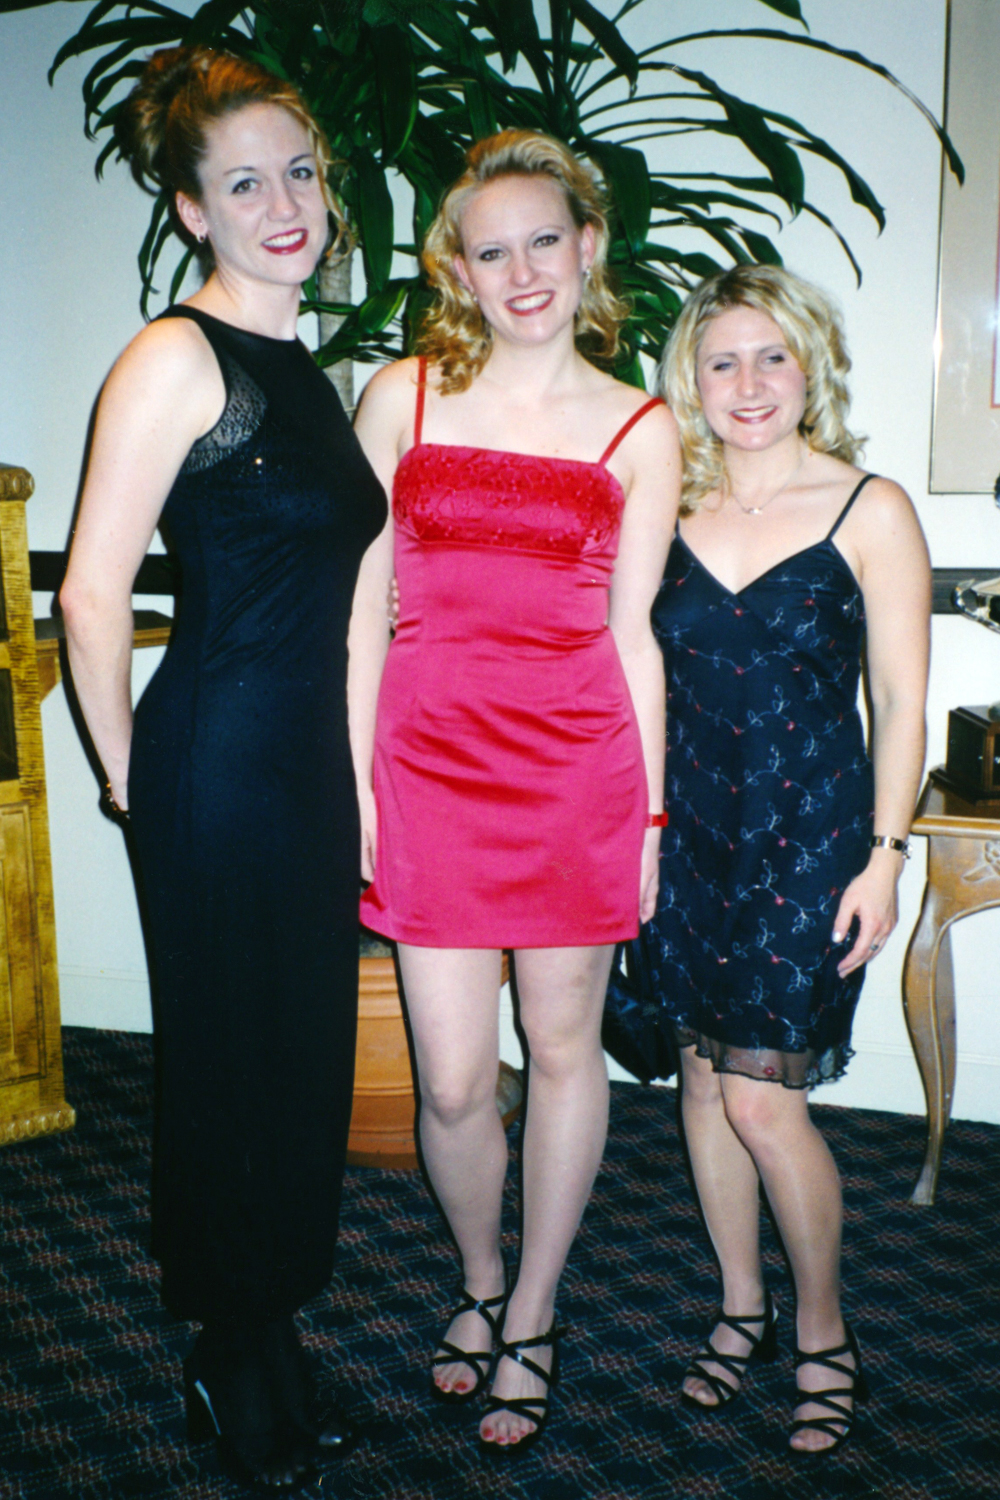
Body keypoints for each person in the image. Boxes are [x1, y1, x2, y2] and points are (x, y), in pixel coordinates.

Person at [59, 46, 387, 1492]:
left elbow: (352, 606)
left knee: (298, 1060)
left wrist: (359, 785)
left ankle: (267, 1328)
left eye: (298, 173)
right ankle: (231, 1348)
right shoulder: (173, 359)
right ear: (190, 208)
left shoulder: (306, 369)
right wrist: (133, 778)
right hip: (216, 765)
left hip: (302, 767)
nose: (283, 205)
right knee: (231, 1064)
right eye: (244, 183)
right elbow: (90, 594)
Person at [348, 129, 680, 1453]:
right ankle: (478, 1278)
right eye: (493, 251)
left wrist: (647, 819)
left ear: (589, 248)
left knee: (559, 1049)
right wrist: (358, 783)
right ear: (457, 271)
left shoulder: (641, 425)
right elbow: (356, 617)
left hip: (574, 770)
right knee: (448, 1083)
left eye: (547, 239)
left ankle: (531, 1311)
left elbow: (635, 637)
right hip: (425, 767)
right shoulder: (403, 399)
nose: (525, 270)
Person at [648, 263, 930, 1455]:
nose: (749, 382)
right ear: (691, 380)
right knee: (703, 1085)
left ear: (810, 365)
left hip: (809, 844)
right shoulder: (660, 506)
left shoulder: (869, 507)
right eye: (722, 361)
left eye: (772, 355)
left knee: (764, 1100)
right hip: (683, 841)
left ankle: (823, 1330)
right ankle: (740, 1308)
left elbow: (901, 704)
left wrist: (886, 858)